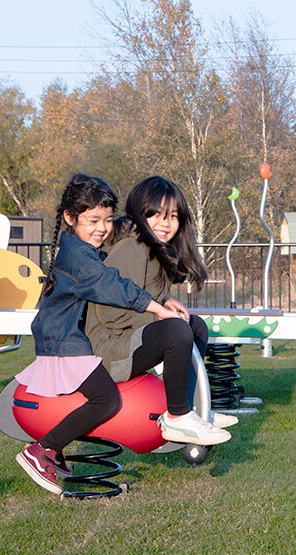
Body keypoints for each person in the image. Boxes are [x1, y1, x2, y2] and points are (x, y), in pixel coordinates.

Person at [14, 174, 186, 495]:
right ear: (70, 218)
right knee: (105, 400)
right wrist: (157, 309)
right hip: (64, 344)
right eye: (93, 220)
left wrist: (161, 301)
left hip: (64, 340)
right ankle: (42, 451)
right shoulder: (79, 257)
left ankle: (55, 451)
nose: (102, 228)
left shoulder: (78, 247)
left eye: (107, 220)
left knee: (93, 398)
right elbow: (111, 285)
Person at [85, 176, 238, 440]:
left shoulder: (153, 250)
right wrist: (158, 311)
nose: (165, 223)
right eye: (155, 214)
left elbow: (136, 290)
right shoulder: (131, 248)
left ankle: (192, 407)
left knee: (195, 327)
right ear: (140, 212)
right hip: (107, 352)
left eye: (173, 216)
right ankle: (177, 416)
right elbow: (111, 313)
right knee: (175, 330)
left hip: (125, 340)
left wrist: (164, 299)